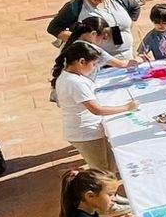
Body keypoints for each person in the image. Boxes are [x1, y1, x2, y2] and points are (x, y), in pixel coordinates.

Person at [54, 40, 136, 173]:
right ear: (81, 62)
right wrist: (126, 107)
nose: (94, 68)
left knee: (110, 166)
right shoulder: (75, 82)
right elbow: (96, 110)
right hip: (86, 134)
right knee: (101, 173)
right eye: (93, 64)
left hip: (89, 131)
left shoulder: (70, 76)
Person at [47, 0, 140, 53]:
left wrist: (130, 23)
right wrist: (77, 38)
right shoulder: (75, 6)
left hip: (126, 55)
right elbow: (53, 27)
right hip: (96, 60)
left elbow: (135, 7)